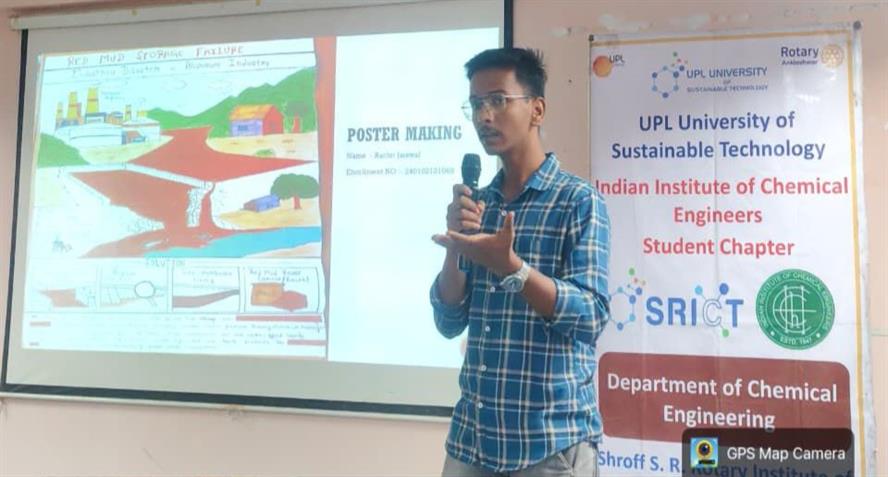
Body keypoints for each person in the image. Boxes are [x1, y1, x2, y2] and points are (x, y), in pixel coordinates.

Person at [429, 47, 611, 476]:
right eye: (476, 104)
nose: (484, 116)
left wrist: (514, 270)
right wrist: (456, 244)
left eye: (498, 100)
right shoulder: (480, 204)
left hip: (548, 445)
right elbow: (449, 321)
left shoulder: (577, 201)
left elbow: (590, 317)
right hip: (472, 441)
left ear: (537, 109)